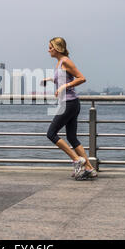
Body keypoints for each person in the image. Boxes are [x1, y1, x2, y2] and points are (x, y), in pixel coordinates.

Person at [40, 37, 97, 180]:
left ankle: (77, 160)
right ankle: (90, 169)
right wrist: (49, 80)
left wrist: (64, 86)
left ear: (57, 48)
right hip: (70, 103)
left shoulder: (65, 61)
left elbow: (81, 78)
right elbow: (63, 78)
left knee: (51, 133)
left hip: (69, 104)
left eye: (50, 47)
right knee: (71, 137)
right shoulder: (60, 63)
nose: (48, 50)